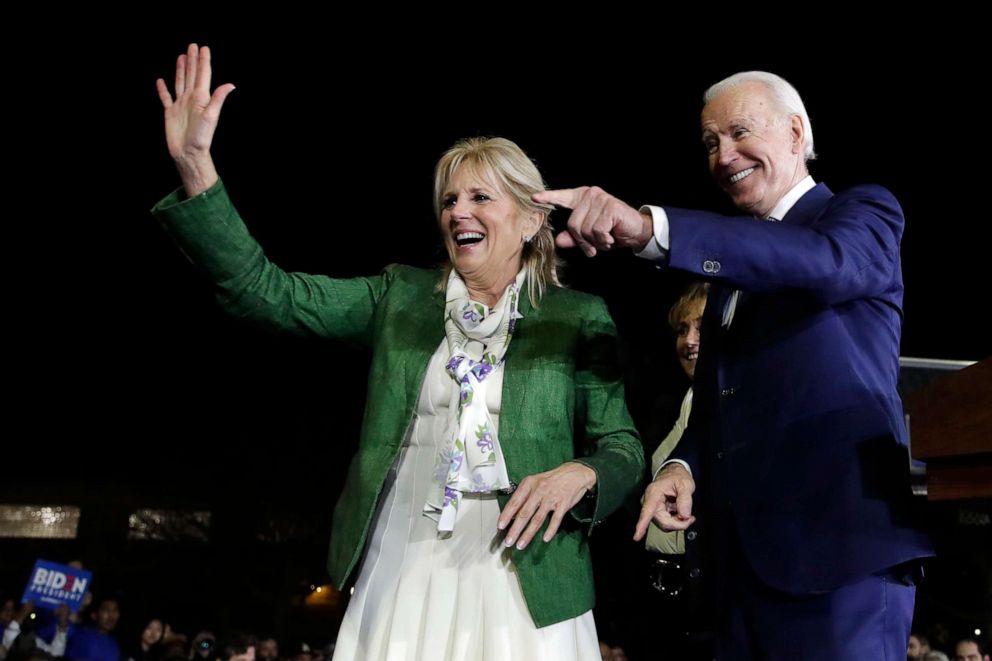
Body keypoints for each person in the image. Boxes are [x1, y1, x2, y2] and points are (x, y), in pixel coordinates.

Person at [152, 44, 643, 661]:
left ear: (529, 221)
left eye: (481, 198)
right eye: (448, 200)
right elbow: (266, 293)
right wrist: (197, 165)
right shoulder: (401, 298)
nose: (458, 211)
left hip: (529, 572)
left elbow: (623, 445)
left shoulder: (578, 317)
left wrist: (583, 472)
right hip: (405, 559)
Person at [535, 70, 933, 659]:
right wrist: (681, 468)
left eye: (740, 132)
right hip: (737, 576)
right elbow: (719, 404)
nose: (724, 156)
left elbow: (821, 264)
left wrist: (651, 229)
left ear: (797, 132)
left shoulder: (861, 216)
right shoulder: (725, 283)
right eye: (710, 143)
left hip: (839, 560)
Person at [644, 281, 708, 556]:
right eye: (683, 330)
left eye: (702, 328)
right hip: (662, 576)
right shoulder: (673, 403)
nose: (690, 341)